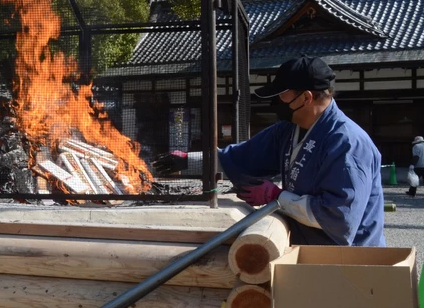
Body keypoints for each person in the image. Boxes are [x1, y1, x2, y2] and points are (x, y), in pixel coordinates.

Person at [156, 56, 385, 246]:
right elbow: (241, 157)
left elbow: (339, 217)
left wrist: (276, 197)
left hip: (351, 261)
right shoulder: (288, 130)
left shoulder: (347, 144)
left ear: (306, 97)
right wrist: (188, 161)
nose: (276, 102)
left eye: (281, 95)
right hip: (308, 249)